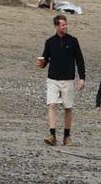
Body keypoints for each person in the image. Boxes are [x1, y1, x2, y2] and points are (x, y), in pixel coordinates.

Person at [37, 14, 87, 146]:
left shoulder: (73, 41)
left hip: (68, 79)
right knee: (52, 105)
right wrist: (41, 64)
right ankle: (52, 135)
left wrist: (82, 78)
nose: (65, 26)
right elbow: (45, 60)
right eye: (63, 24)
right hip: (52, 78)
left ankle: (66, 136)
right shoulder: (50, 42)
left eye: (66, 24)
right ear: (56, 26)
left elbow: (80, 60)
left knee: (68, 107)